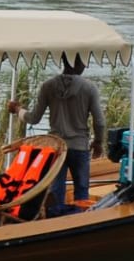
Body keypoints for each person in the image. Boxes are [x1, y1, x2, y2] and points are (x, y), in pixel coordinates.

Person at [8, 54, 106, 215]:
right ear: (79, 64)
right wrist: (98, 142)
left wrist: (18, 109)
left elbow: (34, 118)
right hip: (79, 146)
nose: (86, 65)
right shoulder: (89, 88)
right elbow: (100, 122)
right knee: (82, 191)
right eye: (84, 62)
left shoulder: (47, 86)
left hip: (57, 148)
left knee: (56, 191)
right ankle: (80, 221)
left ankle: (55, 221)